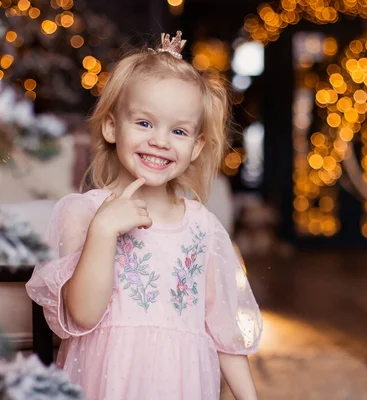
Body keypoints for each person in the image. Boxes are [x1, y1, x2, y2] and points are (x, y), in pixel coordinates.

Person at [26, 31, 263, 400]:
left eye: (179, 130)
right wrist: (103, 230)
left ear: (196, 145)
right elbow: (83, 315)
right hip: (105, 384)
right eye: (144, 123)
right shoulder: (83, 213)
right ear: (110, 127)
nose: (161, 141)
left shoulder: (204, 228)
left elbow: (225, 333)